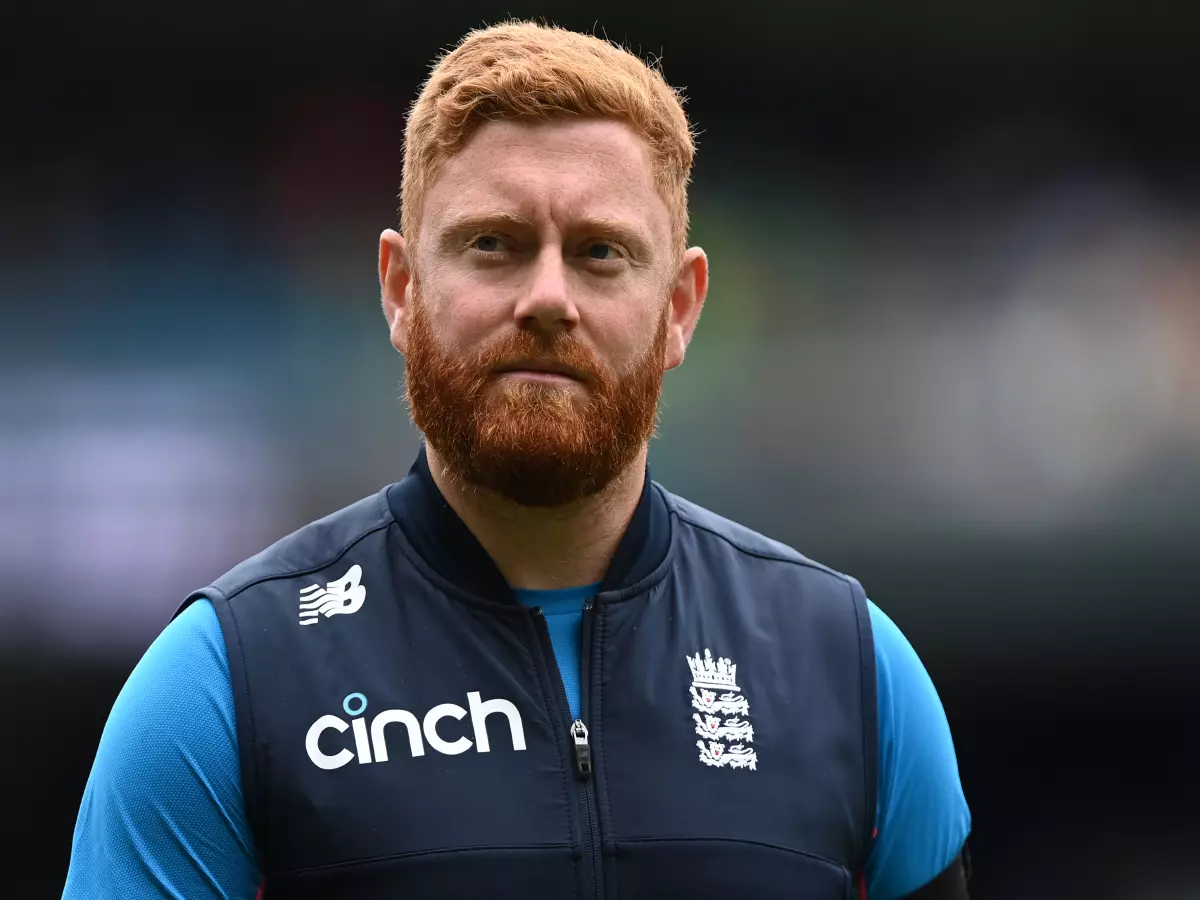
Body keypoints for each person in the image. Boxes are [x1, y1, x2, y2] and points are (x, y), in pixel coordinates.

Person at [63, 21, 971, 900]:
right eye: (492, 244)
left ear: (681, 307)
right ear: (402, 290)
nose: (546, 297)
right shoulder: (221, 684)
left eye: (600, 252)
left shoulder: (856, 673)